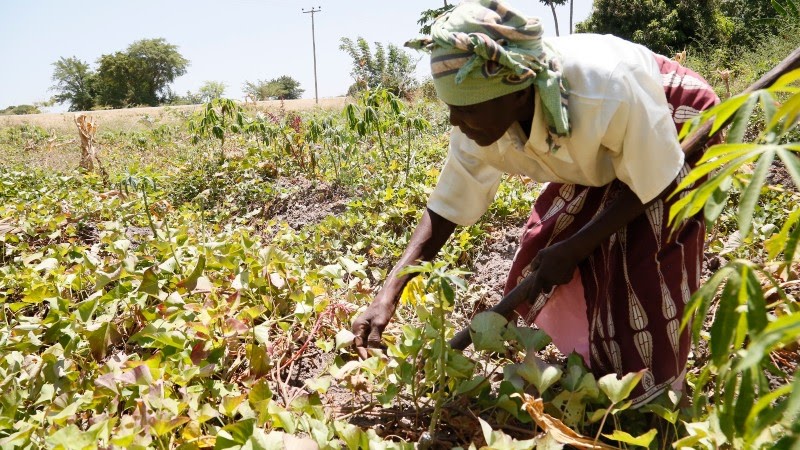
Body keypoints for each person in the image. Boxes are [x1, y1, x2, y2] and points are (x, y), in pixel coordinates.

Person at [351, 0, 720, 405]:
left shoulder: (603, 90)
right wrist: (389, 291)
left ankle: (657, 396)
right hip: (603, 156)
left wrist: (578, 246)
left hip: (674, 123)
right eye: (451, 109)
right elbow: (445, 210)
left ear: (515, 94)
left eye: (466, 110)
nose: (456, 122)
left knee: (641, 259)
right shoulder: (478, 119)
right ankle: (597, 360)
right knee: (548, 246)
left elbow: (656, 176)